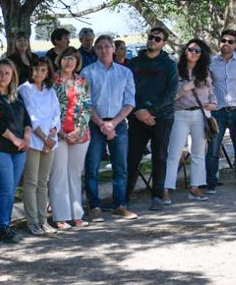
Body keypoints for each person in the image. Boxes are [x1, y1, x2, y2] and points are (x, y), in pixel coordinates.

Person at [81, 34, 137, 219]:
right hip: (94, 123)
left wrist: (113, 123)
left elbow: (129, 102)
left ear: (113, 48)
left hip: (118, 123)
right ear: (95, 50)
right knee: (92, 166)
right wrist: (102, 124)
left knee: (121, 166)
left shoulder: (125, 73)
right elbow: (86, 103)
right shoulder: (87, 72)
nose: (104, 50)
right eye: (100, 47)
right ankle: (94, 207)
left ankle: (119, 204)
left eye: (107, 46)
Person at [126, 27, 179, 211]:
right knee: (132, 157)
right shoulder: (134, 63)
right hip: (137, 117)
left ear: (164, 43)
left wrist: (149, 110)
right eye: (151, 37)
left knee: (160, 156)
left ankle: (157, 196)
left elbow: (171, 92)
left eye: (158, 39)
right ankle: (124, 196)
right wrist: (139, 111)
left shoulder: (169, 65)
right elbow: (128, 89)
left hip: (161, 118)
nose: (153, 41)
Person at [161, 39, 217, 202]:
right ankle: (166, 189)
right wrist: (185, 88)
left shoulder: (205, 72)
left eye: (197, 51)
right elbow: (170, 97)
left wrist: (214, 103)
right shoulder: (176, 71)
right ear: (185, 51)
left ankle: (195, 187)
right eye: (191, 49)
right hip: (180, 114)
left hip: (200, 114)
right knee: (174, 153)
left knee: (199, 153)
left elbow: (211, 92)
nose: (193, 53)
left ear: (202, 55)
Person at [50, 47, 93, 230]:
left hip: (79, 134)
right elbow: (49, 107)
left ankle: (76, 214)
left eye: (73, 59)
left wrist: (79, 129)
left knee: (74, 174)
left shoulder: (82, 81)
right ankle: (60, 216)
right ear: (60, 60)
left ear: (77, 62)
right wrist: (59, 130)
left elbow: (87, 106)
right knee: (58, 173)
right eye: (66, 58)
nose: (69, 62)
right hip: (58, 134)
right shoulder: (52, 81)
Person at [207, 29, 236, 191]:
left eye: (230, 42)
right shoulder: (211, 63)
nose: (226, 44)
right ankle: (211, 182)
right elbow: (208, 85)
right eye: (223, 40)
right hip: (218, 111)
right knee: (213, 147)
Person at [0, 59, 31, 243]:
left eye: (7, 73)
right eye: (0, 72)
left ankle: (6, 224)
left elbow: (26, 119)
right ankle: (2, 226)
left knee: (12, 188)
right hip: (2, 148)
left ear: (13, 75)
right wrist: (15, 139)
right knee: (5, 188)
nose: (3, 77)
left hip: (20, 148)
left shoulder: (16, 95)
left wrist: (27, 137)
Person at [19, 57, 60, 235]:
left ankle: (43, 220)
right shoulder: (24, 89)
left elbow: (56, 113)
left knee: (43, 182)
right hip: (35, 141)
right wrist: (44, 139)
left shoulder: (50, 91)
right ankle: (32, 221)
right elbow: (30, 116)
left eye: (43, 70)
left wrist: (53, 133)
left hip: (49, 142)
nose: (39, 73)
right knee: (31, 181)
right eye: (36, 69)